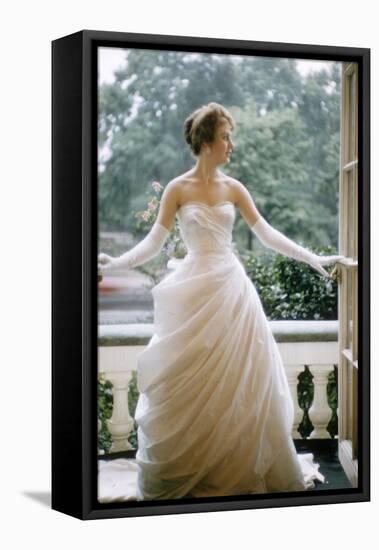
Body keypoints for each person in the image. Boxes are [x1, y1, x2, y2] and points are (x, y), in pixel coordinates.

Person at [98, 102, 342, 501]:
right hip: (194, 293)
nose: (231, 145)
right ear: (207, 140)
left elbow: (267, 233)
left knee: (242, 383)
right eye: (226, 136)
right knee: (190, 384)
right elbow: (154, 243)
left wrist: (312, 257)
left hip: (232, 294)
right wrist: (116, 261)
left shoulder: (234, 188)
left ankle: (235, 468)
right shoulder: (178, 189)